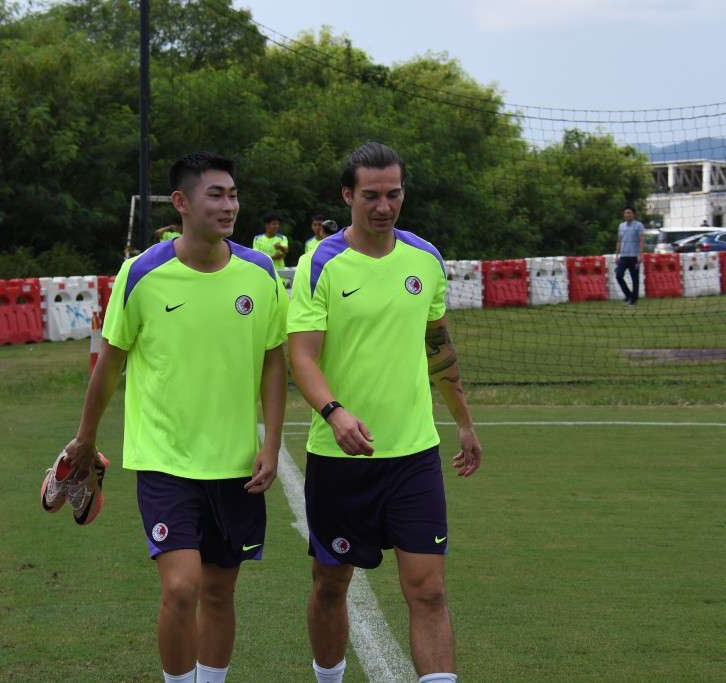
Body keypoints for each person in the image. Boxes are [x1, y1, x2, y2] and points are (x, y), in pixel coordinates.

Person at [63, 151, 288, 683]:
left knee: (219, 591)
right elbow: (109, 365)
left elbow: (274, 362)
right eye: (216, 194)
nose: (229, 205)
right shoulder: (141, 273)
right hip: (165, 462)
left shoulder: (260, 273)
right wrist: (84, 440)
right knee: (181, 588)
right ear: (182, 203)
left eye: (233, 194)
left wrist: (272, 443)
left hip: (235, 464)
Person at [287, 142, 482, 683]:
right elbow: (300, 355)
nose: (383, 206)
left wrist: (463, 422)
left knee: (431, 589)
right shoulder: (319, 263)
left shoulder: (425, 259)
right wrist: (334, 412)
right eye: (370, 195)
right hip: (340, 457)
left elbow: (437, 347)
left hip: (414, 455)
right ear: (347, 195)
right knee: (330, 584)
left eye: (393, 194)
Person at [614, 206, 645, 306]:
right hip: (623, 256)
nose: (627, 215)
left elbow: (641, 240)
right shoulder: (621, 226)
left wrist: (640, 254)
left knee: (634, 278)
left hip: (634, 256)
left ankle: (634, 299)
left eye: (629, 213)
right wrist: (617, 255)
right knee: (619, 275)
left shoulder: (638, 225)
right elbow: (619, 240)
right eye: (625, 213)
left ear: (633, 214)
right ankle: (628, 295)